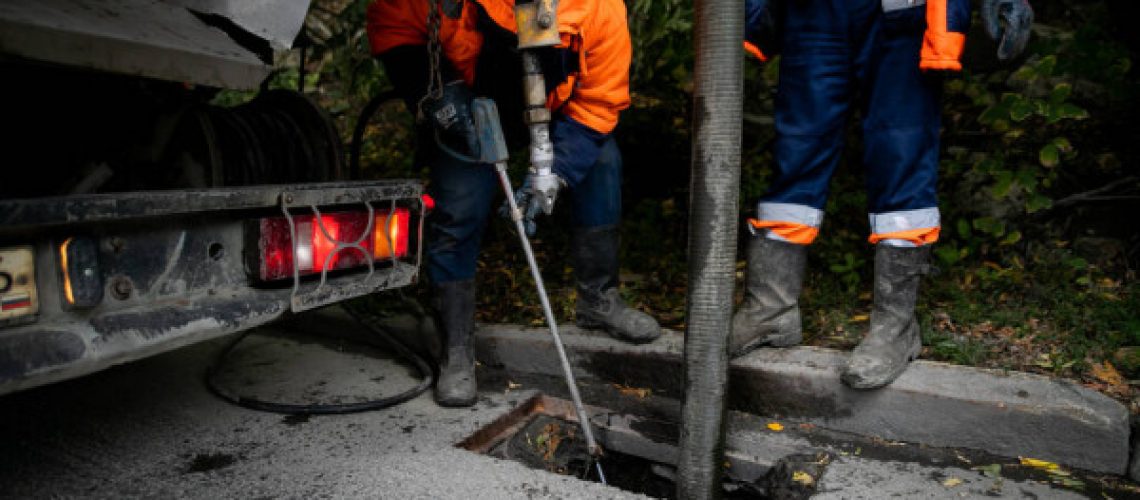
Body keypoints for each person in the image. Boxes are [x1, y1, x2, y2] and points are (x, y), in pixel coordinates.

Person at [367, 0, 661, 407]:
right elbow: (396, 27)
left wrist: (554, 173)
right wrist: (438, 95)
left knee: (603, 161)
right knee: (461, 200)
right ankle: (455, 344)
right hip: (471, 98)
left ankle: (599, 300)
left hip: (557, 107)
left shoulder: (599, 8)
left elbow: (600, 103)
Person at [733, 0, 1033, 389]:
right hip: (814, 14)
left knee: (901, 153)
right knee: (796, 151)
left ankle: (896, 327)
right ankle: (771, 309)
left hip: (902, 13)